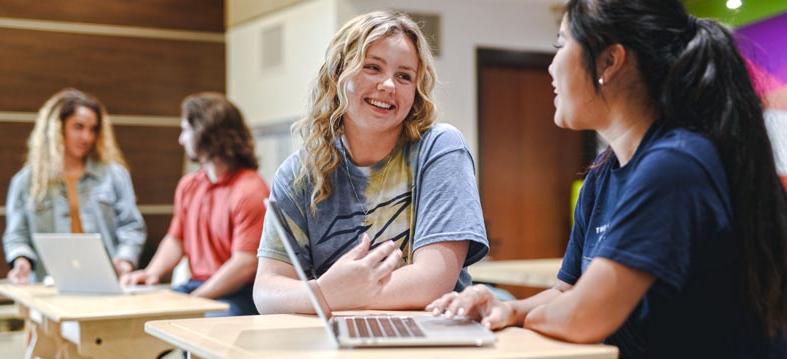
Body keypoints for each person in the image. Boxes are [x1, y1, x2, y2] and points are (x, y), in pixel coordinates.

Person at [426, 1, 787, 358]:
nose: (551, 66)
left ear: (610, 61)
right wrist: (507, 308)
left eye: (561, 45)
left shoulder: (675, 164)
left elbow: (583, 317)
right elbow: (569, 294)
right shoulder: (602, 174)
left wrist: (518, 313)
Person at [253, 11, 489, 314]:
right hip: (337, 340)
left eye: (404, 76)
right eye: (372, 67)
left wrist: (328, 296)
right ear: (338, 75)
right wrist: (326, 292)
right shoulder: (297, 174)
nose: (389, 84)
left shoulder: (439, 148)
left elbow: (432, 282)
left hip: (432, 336)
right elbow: (266, 290)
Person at [121, 92, 268, 316]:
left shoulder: (250, 190)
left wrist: (195, 300)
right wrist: (151, 273)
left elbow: (245, 264)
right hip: (198, 284)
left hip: (239, 291)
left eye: (185, 130)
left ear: (204, 131)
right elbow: (176, 239)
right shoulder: (189, 185)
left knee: (201, 325)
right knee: (140, 315)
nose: (181, 139)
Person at [3, 88, 146, 284]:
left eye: (93, 129)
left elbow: (132, 226)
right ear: (57, 128)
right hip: (49, 284)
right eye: (78, 127)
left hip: (106, 281)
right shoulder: (26, 181)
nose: (87, 137)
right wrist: (21, 260)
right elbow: (16, 234)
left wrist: (125, 259)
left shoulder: (114, 175)